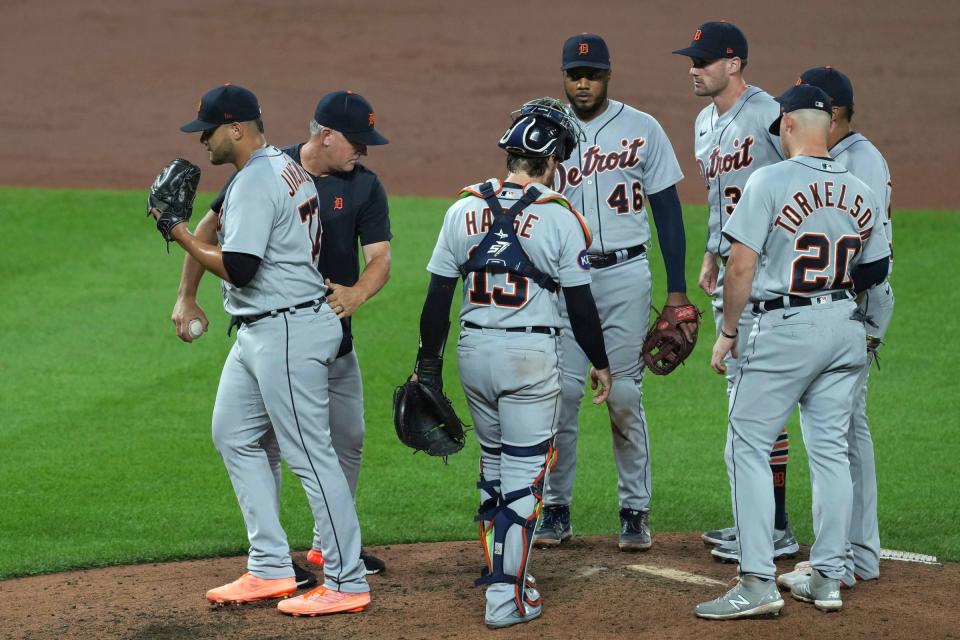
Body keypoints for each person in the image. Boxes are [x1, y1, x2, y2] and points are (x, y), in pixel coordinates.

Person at [156, 83, 370, 616]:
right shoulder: (280, 166)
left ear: (236, 128)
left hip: (288, 330)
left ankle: (348, 579)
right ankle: (271, 566)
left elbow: (242, 267)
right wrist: (188, 289)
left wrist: (176, 231)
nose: (201, 140)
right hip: (263, 327)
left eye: (207, 130)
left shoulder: (256, 182)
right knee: (233, 433)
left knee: (309, 456)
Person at [694, 84, 890, 619]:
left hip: (783, 328)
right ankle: (828, 576)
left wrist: (728, 330)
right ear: (828, 126)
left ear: (784, 124)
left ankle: (757, 582)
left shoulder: (770, 180)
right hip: (844, 326)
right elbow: (876, 271)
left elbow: (740, 266)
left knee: (747, 443)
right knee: (830, 450)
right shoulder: (862, 189)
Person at [415, 97, 611, 628]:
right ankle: (506, 597)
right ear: (552, 162)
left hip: (473, 354)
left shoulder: (462, 208)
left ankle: (509, 572)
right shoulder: (560, 218)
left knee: (494, 469)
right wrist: (601, 362)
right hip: (529, 359)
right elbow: (581, 306)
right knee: (526, 478)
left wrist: (426, 365)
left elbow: (436, 302)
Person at [534, 33, 696, 552]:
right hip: (561, 281)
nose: (583, 83)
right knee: (562, 395)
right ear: (563, 75)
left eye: (593, 74)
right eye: (574, 74)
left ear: (609, 74)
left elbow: (667, 212)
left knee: (624, 394)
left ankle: (634, 510)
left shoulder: (642, 129)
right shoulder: (541, 133)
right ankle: (555, 507)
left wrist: (676, 291)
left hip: (626, 275)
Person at [671, 21, 798, 562]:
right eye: (691, 60)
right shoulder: (704, 121)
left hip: (767, 275)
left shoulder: (771, 115)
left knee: (757, 401)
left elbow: (806, 174)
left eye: (703, 61)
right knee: (745, 397)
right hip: (731, 269)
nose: (693, 69)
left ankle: (774, 529)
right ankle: (761, 521)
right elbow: (719, 194)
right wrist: (709, 251)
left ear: (734, 63)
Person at [776, 66, 894, 591]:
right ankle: (855, 552)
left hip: (857, 306)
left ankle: (847, 558)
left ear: (835, 114)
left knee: (842, 434)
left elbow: (872, 259)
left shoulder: (860, 161)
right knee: (846, 431)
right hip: (846, 306)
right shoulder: (843, 158)